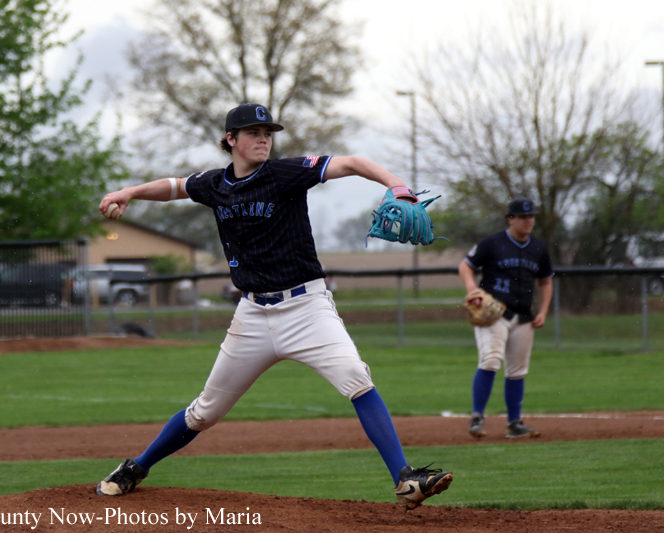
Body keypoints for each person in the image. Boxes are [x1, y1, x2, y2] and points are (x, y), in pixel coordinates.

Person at [95, 103, 453, 511]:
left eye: (267, 131)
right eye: (252, 132)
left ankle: (406, 479)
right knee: (205, 412)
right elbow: (176, 186)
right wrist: (129, 193)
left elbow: (352, 162)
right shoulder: (215, 185)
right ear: (231, 140)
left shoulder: (286, 173)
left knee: (356, 377)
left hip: (306, 308)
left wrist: (396, 185)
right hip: (252, 316)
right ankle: (136, 468)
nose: (263, 138)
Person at [458, 198, 554, 439]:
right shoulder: (493, 243)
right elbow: (466, 266)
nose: (528, 220)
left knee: (517, 370)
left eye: (531, 216)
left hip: (524, 316)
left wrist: (543, 311)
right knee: (490, 361)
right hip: (495, 313)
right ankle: (477, 417)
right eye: (523, 217)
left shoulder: (538, 248)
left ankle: (514, 424)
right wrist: (472, 289)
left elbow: (546, 281)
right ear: (510, 219)